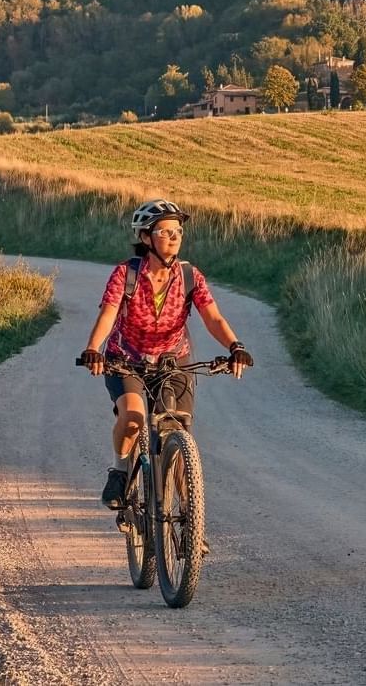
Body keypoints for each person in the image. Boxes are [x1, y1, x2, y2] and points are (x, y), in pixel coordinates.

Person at [80, 198, 252, 510]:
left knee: (177, 429)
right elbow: (108, 314)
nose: (173, 238)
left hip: (174, 360)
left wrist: (235, 347)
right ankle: (119, 472)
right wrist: (93, 349)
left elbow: (213, 317)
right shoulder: (126, 274)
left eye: (178, 231)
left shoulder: (190, 276)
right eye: (164, 231)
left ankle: (189, 517)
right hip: (126, 360)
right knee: (133, 417)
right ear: (145, 237)